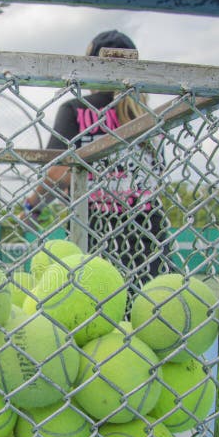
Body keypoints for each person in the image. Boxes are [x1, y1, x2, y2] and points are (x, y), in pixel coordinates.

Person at [20, 29, 171, 287]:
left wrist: (33, 205)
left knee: (97, 317)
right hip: (148, 238)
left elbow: (57, 173)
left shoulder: (77, 110)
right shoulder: (147, 118)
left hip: (95, 233)